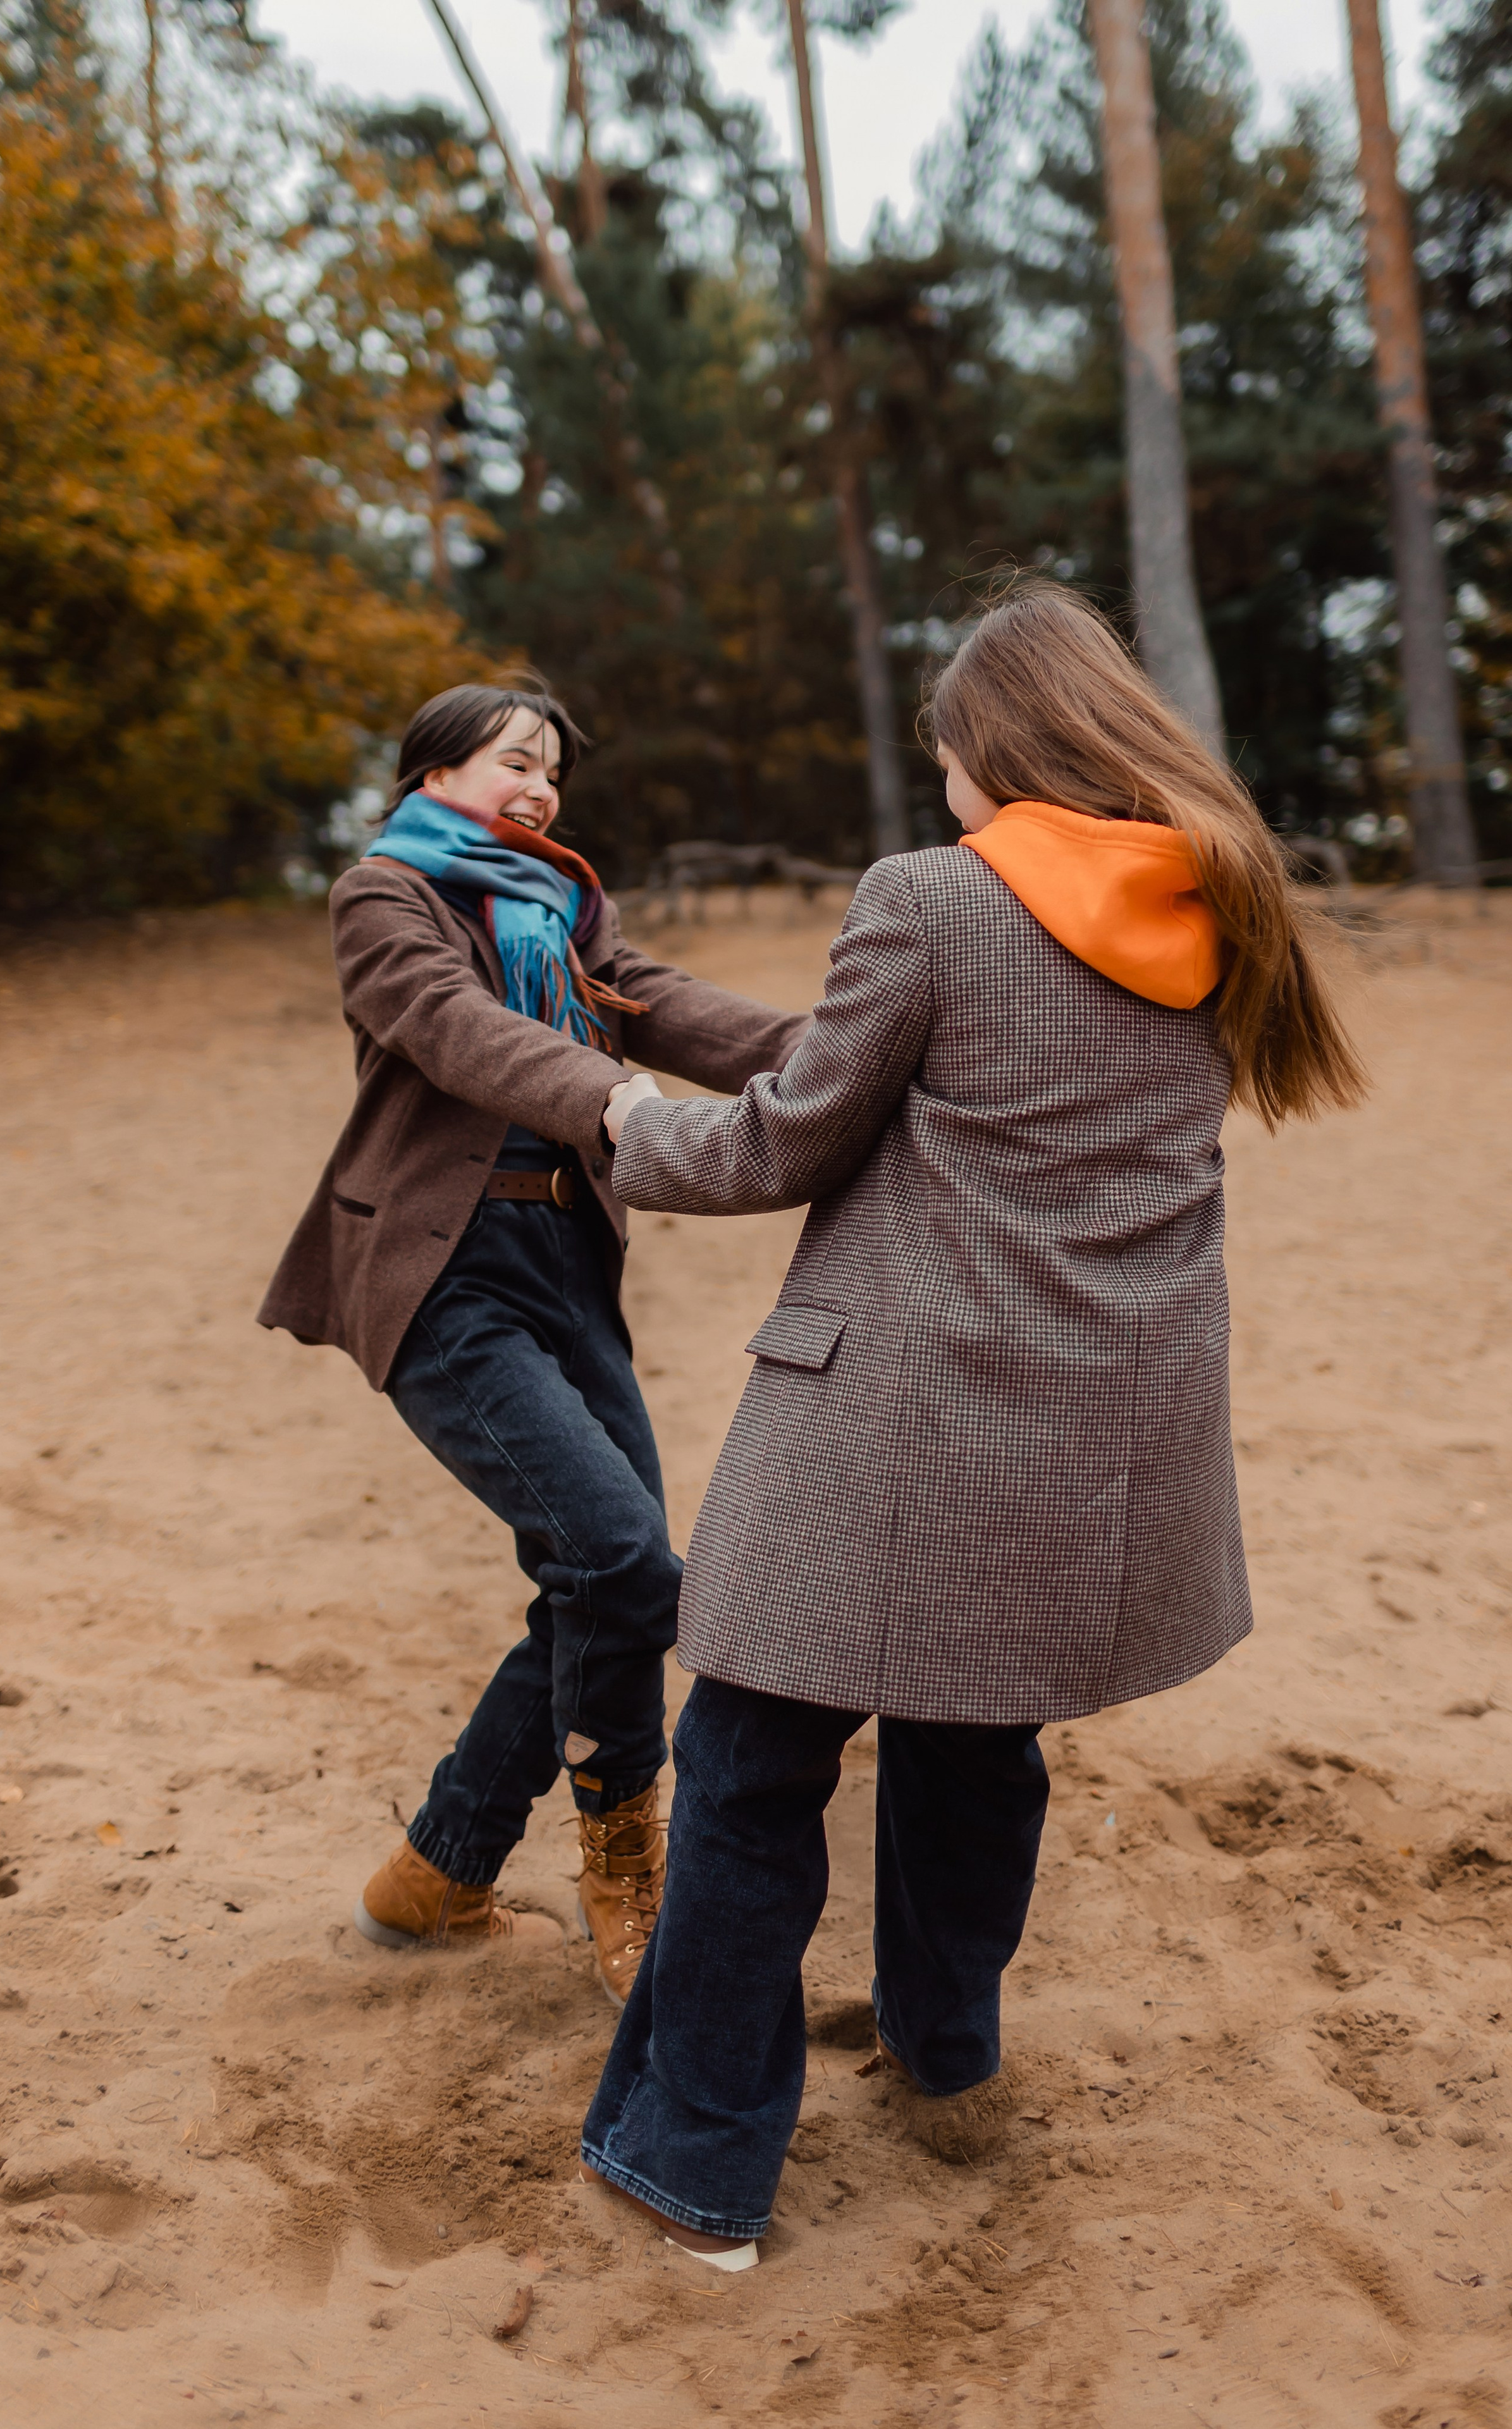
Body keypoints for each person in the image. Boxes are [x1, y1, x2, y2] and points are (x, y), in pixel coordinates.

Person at [577, 579, 1367, 2268]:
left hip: (899, 1401)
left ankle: (702, 2167)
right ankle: (947, 2045)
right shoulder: (1219, 894)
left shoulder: (930, 899)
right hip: (1095, 1415)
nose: (936, 768)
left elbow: (791, 1138)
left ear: (990, 750)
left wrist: (627, 1116)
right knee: (973, 1730)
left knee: (746, 1764)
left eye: (943, 740)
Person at [258, 682, 806, 2003]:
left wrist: (827, 1053)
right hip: (444, 1274)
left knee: (599, 1577)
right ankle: (623, 1857)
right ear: (433, 770)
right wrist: (612, 1099)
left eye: (554, 769)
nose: (543, 787)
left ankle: (437, 1873)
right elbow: (454, 1029)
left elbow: (654, 1001)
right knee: (624, 1565)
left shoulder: (561, 905)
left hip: (567, 1260)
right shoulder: (385, 897)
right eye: (517, 760)